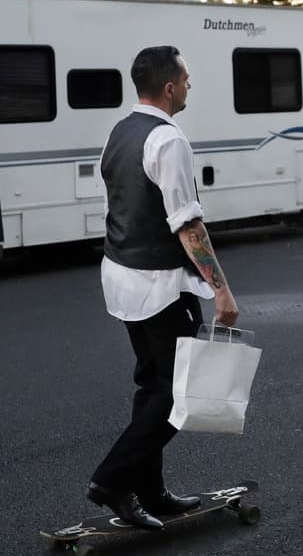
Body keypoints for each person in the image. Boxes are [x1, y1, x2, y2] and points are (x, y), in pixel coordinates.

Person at [87, 45, 239, 531]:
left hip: (122, 278)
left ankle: (149, 491)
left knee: (153, 386)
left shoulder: (120, 132)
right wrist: (221, 290)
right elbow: (187, 224)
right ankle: (112, 480)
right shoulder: (169, 140)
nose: (190, 85)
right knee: (178, 394)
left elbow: (121, 204)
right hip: (160, 285)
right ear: (170, 87)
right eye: (187, 79)